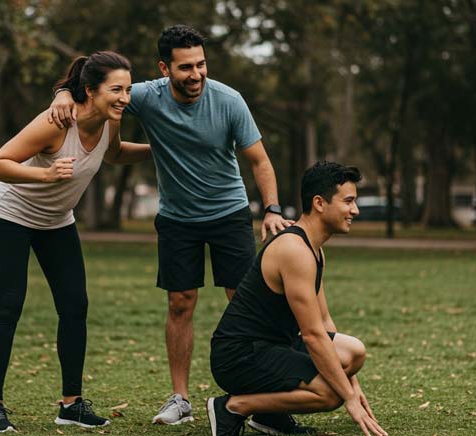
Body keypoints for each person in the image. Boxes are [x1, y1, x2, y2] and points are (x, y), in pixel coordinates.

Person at [48, 25, 298, 432]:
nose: (196, 74)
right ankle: (180, 398)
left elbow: (260, 161)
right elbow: (94, 86)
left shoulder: (229, 100)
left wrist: (271, 208)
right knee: (180, 303)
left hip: (229, 213)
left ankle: (261, 401)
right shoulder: (144, 96)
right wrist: (62, 93)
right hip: (178, 218)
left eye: (201, 64)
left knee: (245, 304)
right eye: (185, 67)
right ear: (165, 68)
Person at [0, 51, 151, 433]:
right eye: (116, 90)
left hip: (57, 221)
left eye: (127, 89)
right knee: (8, 306)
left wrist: (161, 151)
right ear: (89, 90)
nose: (125, 98)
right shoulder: (57, 122)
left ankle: (71, 404)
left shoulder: (110, 122)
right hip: (11, 216)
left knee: (75, 306)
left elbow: (116, 154)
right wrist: (46, 176)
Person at [207, 161, 389, 436]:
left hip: (274, 345)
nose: (355, 210)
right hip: (239, 356)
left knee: (353, 353)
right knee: (330, 394)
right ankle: (234, 407)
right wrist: (348, 399)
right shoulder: (294, 251)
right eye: (348, 201)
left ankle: (270, 416)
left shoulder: (312, 249)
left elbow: (324, 323)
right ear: (319, 203)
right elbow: (313, 335)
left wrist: (354, 385)